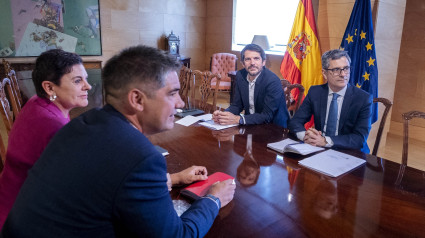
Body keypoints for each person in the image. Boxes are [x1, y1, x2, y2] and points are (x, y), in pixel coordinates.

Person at [1, 45, 236, 237]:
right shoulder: (143, 158)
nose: (182, 103)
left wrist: (173, 179)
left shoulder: (84, 123)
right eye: (173, 93)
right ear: (137, 99)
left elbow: (109, 183)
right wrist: (213, 199)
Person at [0, 49, 92, 229]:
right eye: (77, 81)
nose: (88, 86)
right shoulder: (51, 124)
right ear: (49, 87)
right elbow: (77, 184)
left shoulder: (37, 101)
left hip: (10, 197)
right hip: (20, 218)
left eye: (85, 78)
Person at [288, 49, 372, 153]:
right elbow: (295, 122)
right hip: (319, 149)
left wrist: (325, 141)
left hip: (350, 152)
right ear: (324, 73)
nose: (343, 74)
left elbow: (359, 138)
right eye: (336, 70)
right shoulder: (315, 92)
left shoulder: (363, 98)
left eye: (346, 68)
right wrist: (307, 137)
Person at [212, 44, 289, 127]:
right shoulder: (240, 75)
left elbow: (267, 116)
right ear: (243, 63)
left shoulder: (272, 81)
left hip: (274, 128)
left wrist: (238, 119)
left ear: (263, 62)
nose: (252, 63)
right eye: (248, 59)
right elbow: (237, 105)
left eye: (256, 59)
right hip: (250, 124)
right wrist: (223, 115)